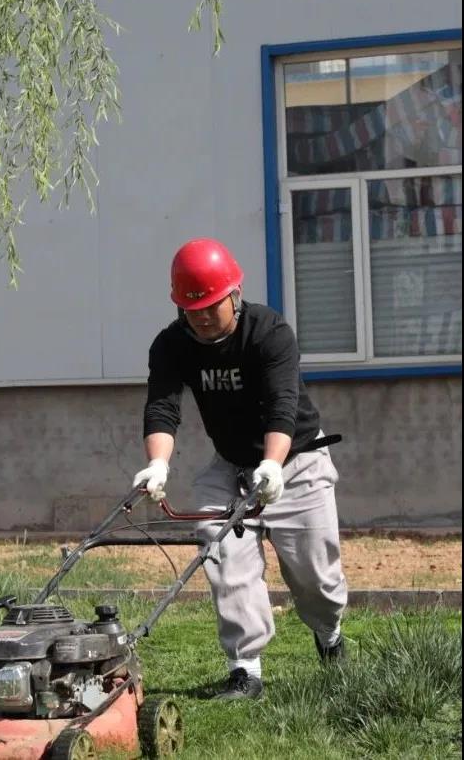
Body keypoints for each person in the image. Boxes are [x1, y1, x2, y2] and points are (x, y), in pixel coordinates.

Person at [132, 237, 348, 700]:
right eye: (193, 309)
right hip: (230, 465)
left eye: (212, 305)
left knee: (316, 579)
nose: (204, 317)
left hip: (296, 459)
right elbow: (163, 408)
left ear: (234, 293)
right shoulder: (171, 346)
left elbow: (282, 407)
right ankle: (245, 669)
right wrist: (157, 463)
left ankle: (329, 636)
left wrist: (272, 464)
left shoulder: (269, 332)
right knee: (221, 550)